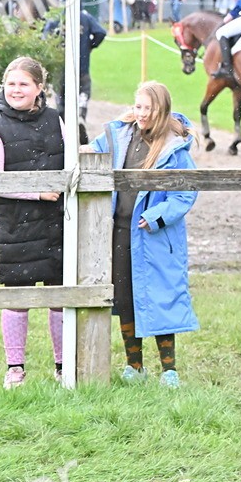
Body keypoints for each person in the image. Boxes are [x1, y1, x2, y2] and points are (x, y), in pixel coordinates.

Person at [86, 82, 197, 387]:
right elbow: (90, 153)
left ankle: (169, 370)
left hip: (156, 237)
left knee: (160, 297)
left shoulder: (173, 147)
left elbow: (186, 192)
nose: (142, 114)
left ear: (162, 110)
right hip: (120, 232)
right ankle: (134, 366)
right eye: (138, 107)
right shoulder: (119, 135)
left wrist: (157, 217)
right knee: (124, 298)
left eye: (149, 108)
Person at [0, 57, 64, 388]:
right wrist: (37, 193)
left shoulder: (57, 121)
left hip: (58, 223)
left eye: (24, 84)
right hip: (16, 226)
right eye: (11, 83)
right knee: (18, 298)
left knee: (60, 296)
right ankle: (15, 368)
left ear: (38, 88)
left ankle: (63, 366)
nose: (17, 89)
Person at [51, 11, 106, 143]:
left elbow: (46, 35)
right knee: (84, 91)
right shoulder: (86, 18)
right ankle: (80, 114)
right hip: (81, 65)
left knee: (60, 96)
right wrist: (90, 45)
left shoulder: (57, 18)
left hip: (61, 66)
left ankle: (62, 124)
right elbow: (101, 32)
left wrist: (55, 46)